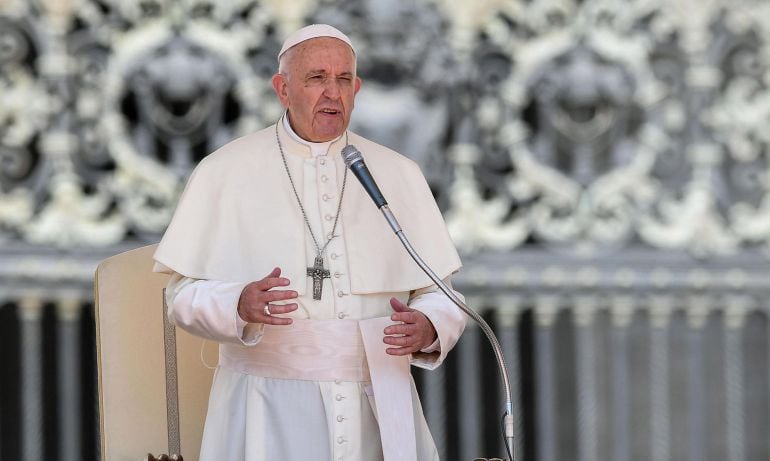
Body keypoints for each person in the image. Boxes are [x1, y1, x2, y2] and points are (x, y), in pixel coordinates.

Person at [153, 24, 466, 461]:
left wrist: (431, 324)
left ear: (356, 89)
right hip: (265, 408)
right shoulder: (223, 171)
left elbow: (442, 294)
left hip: (378, 406)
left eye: (343, 80)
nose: (332, 93)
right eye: (316, 78)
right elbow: (180, 297)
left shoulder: (398, 173)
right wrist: (237, 303)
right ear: (282, 88)